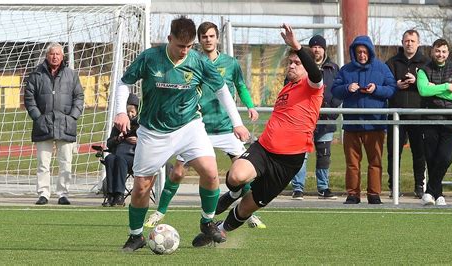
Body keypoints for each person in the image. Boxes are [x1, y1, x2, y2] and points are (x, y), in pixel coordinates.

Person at [113, 16, 250, 252]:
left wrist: (237, 123)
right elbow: (124, 83)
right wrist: (120, 112)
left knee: (210, 171)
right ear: (169, 39)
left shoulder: (198, 61)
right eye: (180, 46)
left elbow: (222, 90)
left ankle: (207, 222)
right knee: (142, 186)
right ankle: (136, 236)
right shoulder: (149, 58)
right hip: (153, 131)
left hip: (190, 126)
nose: (184, 51)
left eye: (188, 46)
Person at [191, 23, 324, 247]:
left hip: (288, 161)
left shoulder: (313, 86)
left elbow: (316, 72)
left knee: (247, 208)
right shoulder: (287, 86)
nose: (291, 65)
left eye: (296, 63)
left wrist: (297, 46)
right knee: (236, 176)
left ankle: (218, 232)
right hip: (264, 149)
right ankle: (232, 194)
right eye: (289, 61)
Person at [144, 21, 266, 229]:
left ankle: (247, 214)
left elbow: (240, 86)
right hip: (198, 127)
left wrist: (250, 106)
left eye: (211, 36)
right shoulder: (193, 62)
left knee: (243, 172)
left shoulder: (230, 63)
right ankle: (160, 211)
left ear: (217, 38)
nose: (208, 40)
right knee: (178, 172)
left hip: (226, 128)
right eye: (204, 37)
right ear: (198, 40)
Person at [331, 35, 397, 205]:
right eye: (359, 52)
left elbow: (391, 89)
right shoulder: (346, 70)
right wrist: (347, 88)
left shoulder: (381, 69)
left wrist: (376, 89)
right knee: (352, 163)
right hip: (352, 124)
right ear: (354, 52)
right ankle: (353, 194)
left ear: (370, 52)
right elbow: (335, 90)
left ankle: (374, 194)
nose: (362, 55)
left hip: (375, 123)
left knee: (375, 161)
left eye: (365, 51)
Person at [24, 42, 84, 206]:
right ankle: (43, 193)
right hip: (43, 125)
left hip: (66, 125)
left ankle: (63, 193)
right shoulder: (36, 75)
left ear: (62, 56)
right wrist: (38, 118)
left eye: (58, 54)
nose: (55, 56)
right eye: (52, 54)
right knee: (43, 163)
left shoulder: (72, 75)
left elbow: (79, 97)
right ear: (47, 55)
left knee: (66, 162)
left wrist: (72, 117)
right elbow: (29, 99)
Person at [290, 34, 341, 200]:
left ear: (324, 49)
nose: (316, 49)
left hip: (325, 119)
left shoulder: (333, 68)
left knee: (324, 154)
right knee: (300, 153)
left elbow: (339, 90)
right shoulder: (299, 65)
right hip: (303, 119)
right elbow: (290, 86)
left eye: (319, 46)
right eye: (313, 46)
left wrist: (332, 107)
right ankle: (298, 188)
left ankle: (323, 187)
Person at [417, 38, 452, 206]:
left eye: (444, 51)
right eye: (438, 51)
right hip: (430, 120)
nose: (440, 54)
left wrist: (434, 89)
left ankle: (429, 191)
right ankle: (438, 196)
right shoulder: (424, 69)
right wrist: (445, 86)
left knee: (445, 158)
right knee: (431, 159)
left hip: (450, 121)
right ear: (432, 51)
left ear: (448, 53)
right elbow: (423, 90)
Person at [385, 29, 429, 199]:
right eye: (406, 41)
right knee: (394, 152)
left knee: (419, 152)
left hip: (418, 114)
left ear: (418, 43)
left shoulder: (426, 62)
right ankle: (393, 186)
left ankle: (420, 185)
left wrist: (417, 81)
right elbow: (386, 83)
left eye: (412, 41)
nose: (409, 43)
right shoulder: (392, 62)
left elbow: (431, 83)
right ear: (402, 42)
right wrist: (395, 84)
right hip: (397, 114)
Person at [102, 93, 139, 207]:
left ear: (137, 111)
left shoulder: (141, 125)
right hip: (118, 153)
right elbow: (109, 143)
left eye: (132, 111)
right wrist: (118, 138)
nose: (130, 114)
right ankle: (110, 195)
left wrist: (138, 141)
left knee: (120, 159)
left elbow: (151, 142)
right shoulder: (118, 125)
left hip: (134, 157)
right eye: (127, 111)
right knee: (110, 158)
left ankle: (119, 195)